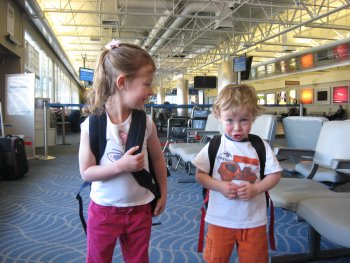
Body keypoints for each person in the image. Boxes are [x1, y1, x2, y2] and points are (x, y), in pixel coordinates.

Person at [78, 40, 167, 263]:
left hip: (139, 210)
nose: (151, 91)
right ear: (122, 82)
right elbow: (87, 172)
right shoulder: (93, 124)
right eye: (146, 84)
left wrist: (163, 193)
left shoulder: (146, 123)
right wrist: (121, 166)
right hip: (104, 211)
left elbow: (157, 159)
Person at [192, 84, 282, 263]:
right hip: (220, 219)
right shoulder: (215, 145)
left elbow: (275, 175)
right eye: (229, 120)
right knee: (215, 258)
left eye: (244, 120)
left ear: (253, 117)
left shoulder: (260, 146)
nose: (237, 128)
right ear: (219, 117)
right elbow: (200, 175)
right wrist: (220, 186)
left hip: (253, 220)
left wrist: (257, 189)